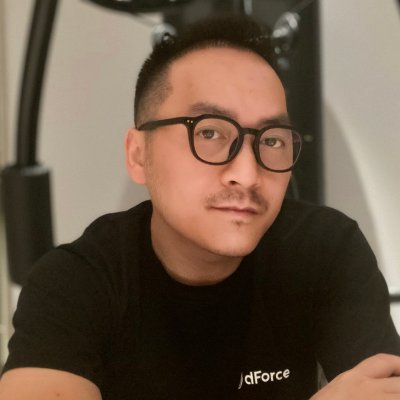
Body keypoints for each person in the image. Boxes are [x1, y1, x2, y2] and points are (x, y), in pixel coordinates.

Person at [0, 15, 399, 400]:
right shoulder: (75, 283)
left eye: (272, 140)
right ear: (138, 155)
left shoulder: (326, 250)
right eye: (209, 132)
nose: (247, 174)